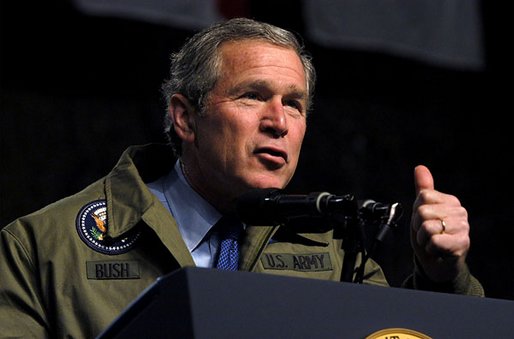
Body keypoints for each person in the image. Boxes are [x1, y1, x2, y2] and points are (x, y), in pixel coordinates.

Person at [0, 17, 483, 338]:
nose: (279, 121)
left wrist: (442, 280)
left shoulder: (335, 251)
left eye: (293, 104)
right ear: (185, 119)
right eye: (253, 96)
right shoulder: (42, 246)